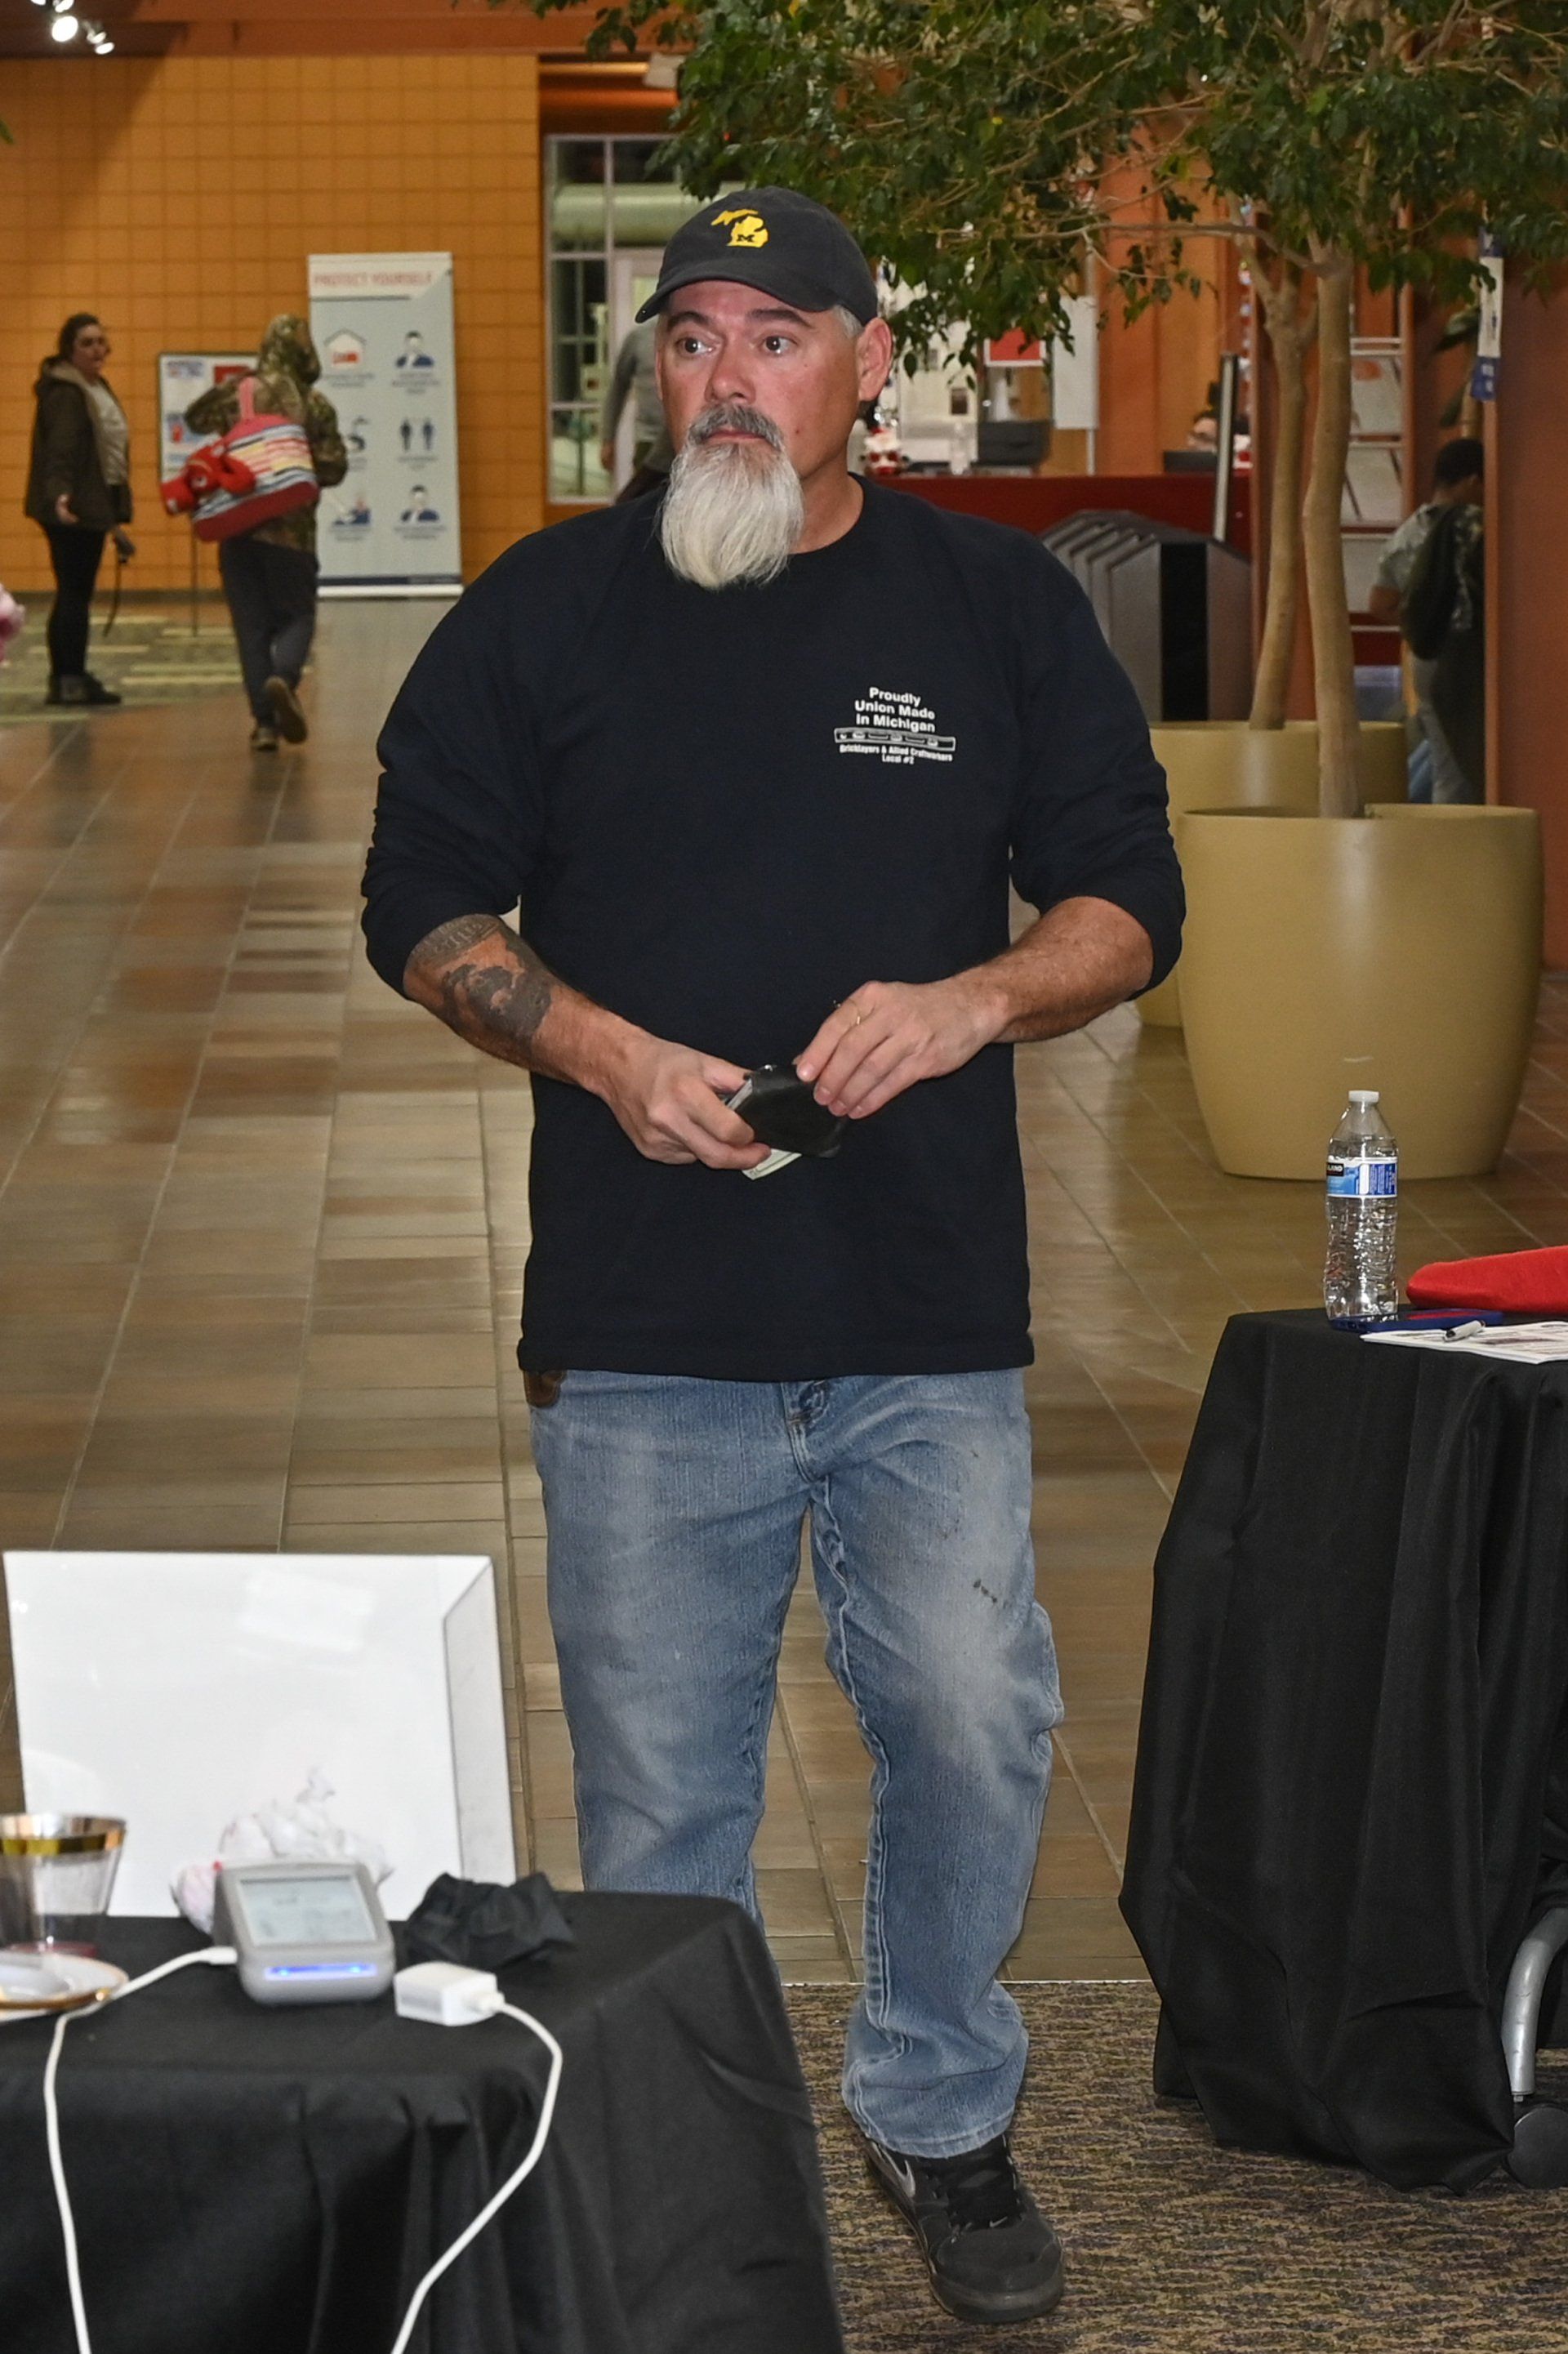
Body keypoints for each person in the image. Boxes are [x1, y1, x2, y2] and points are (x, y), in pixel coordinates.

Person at [362, 185, 1181, 2330]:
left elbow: (1121, 898)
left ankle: (935, 2114)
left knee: (977, 1721)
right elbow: (423, 900)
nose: (729, 376)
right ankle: (683, 2171)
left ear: (868, 361)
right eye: (695, 336)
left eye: (778, 336)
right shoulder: (543, 613)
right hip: (645, 1327)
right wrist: (594, 1046)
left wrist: (975, 1002)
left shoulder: (993, 610)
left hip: (924, 1313)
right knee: (661, 1800)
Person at [185, 315, 346, 752]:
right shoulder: (313, 403)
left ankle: (264, 725)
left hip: (237, 529)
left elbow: (194, 418)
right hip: (292, 534)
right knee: (297, 615)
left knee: (251, 626)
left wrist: (238, 389)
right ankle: (284, 677)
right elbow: (334, 467)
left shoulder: (239, 395)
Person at [24, 313, 135, 707]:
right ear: (69, 348)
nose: (97, 350)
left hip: (90, 502)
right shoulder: (68, 392)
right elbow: (61, 449)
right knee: (73, 592)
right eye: (87, 343)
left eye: (101, 342)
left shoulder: (94, 386)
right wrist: (60, 495)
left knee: (78, 593)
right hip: (71, 506)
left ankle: (72, 673)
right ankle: (67, 678)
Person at [1367, 436, 1484, 804]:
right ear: (1472, 481)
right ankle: (1452, 842)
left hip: (1425, 655)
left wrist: (1419, 624)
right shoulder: (1475, 526)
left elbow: (1379, 602)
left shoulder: (1408, 532)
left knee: (1442, 754)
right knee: (1466, 763)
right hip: (1465, 658)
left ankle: (1419, 818)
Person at [599, 317, 675, 501]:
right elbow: (618, 387)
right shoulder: (639, 338)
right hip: (648, 439)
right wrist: (608, 437)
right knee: (642, 505)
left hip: (688, 440)